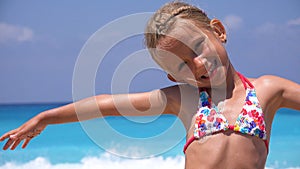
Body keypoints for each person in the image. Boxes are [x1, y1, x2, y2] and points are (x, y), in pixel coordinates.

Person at [1, 2, 300, 169]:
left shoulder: (266, 91)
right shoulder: (185, 100)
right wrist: (45, 118)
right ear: (174, 77)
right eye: (183, 65)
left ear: (218, 31)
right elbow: (108, 105)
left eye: (198, 48)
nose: (198, 64)